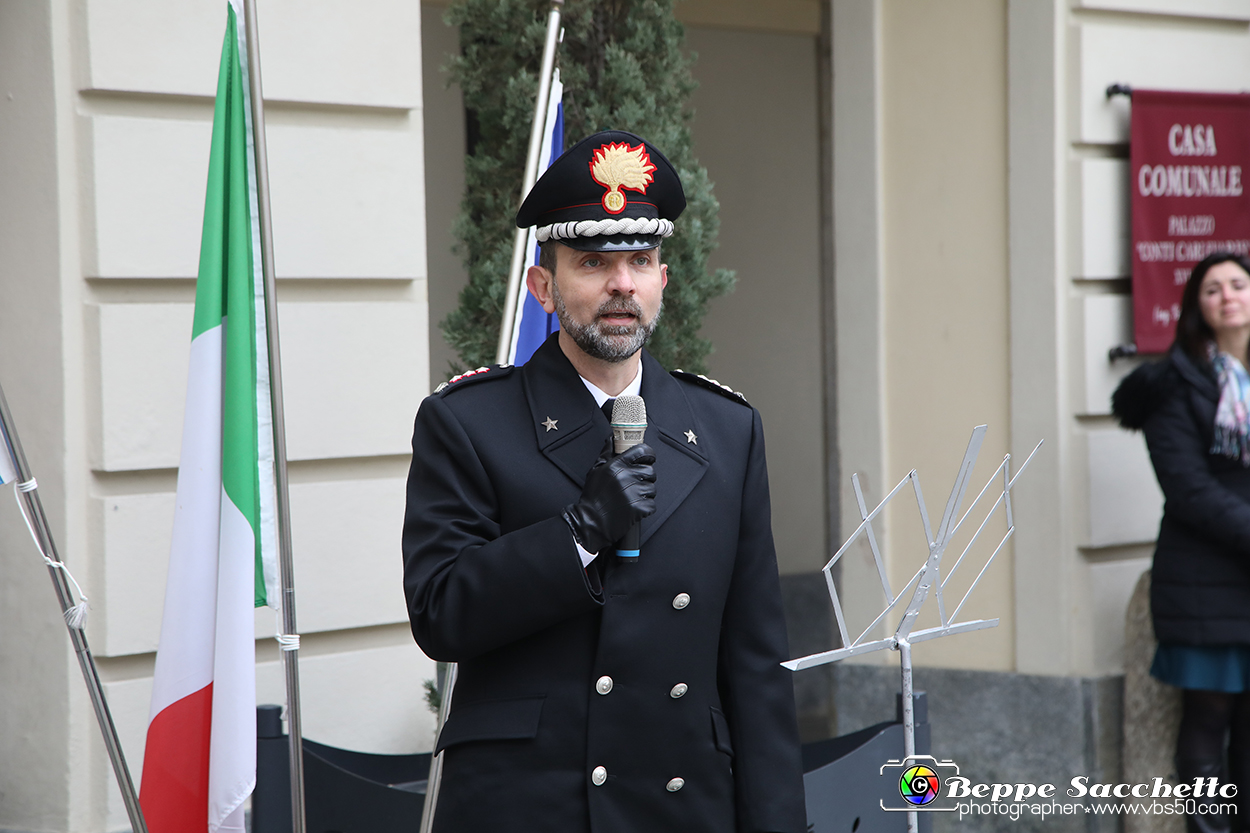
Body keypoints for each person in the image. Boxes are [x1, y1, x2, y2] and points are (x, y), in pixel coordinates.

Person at [402, 130, 806, 833]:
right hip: (530, 807)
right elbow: (440, 612)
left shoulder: (726, 428)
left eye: (640, 261)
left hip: (682, 806)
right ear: (544, 287)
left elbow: (755, 664)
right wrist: (579, 532)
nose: (621, 283)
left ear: (662, 281)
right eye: (593, 262)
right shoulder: (468, 422)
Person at [1114, 252, 1250, 833]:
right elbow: (1189, 491)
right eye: (1212, 288)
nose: (1228, 296)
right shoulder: (1174, 384)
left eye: (1239, 284)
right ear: (1197, 306)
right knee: (1208, 716)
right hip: (1203, 579)